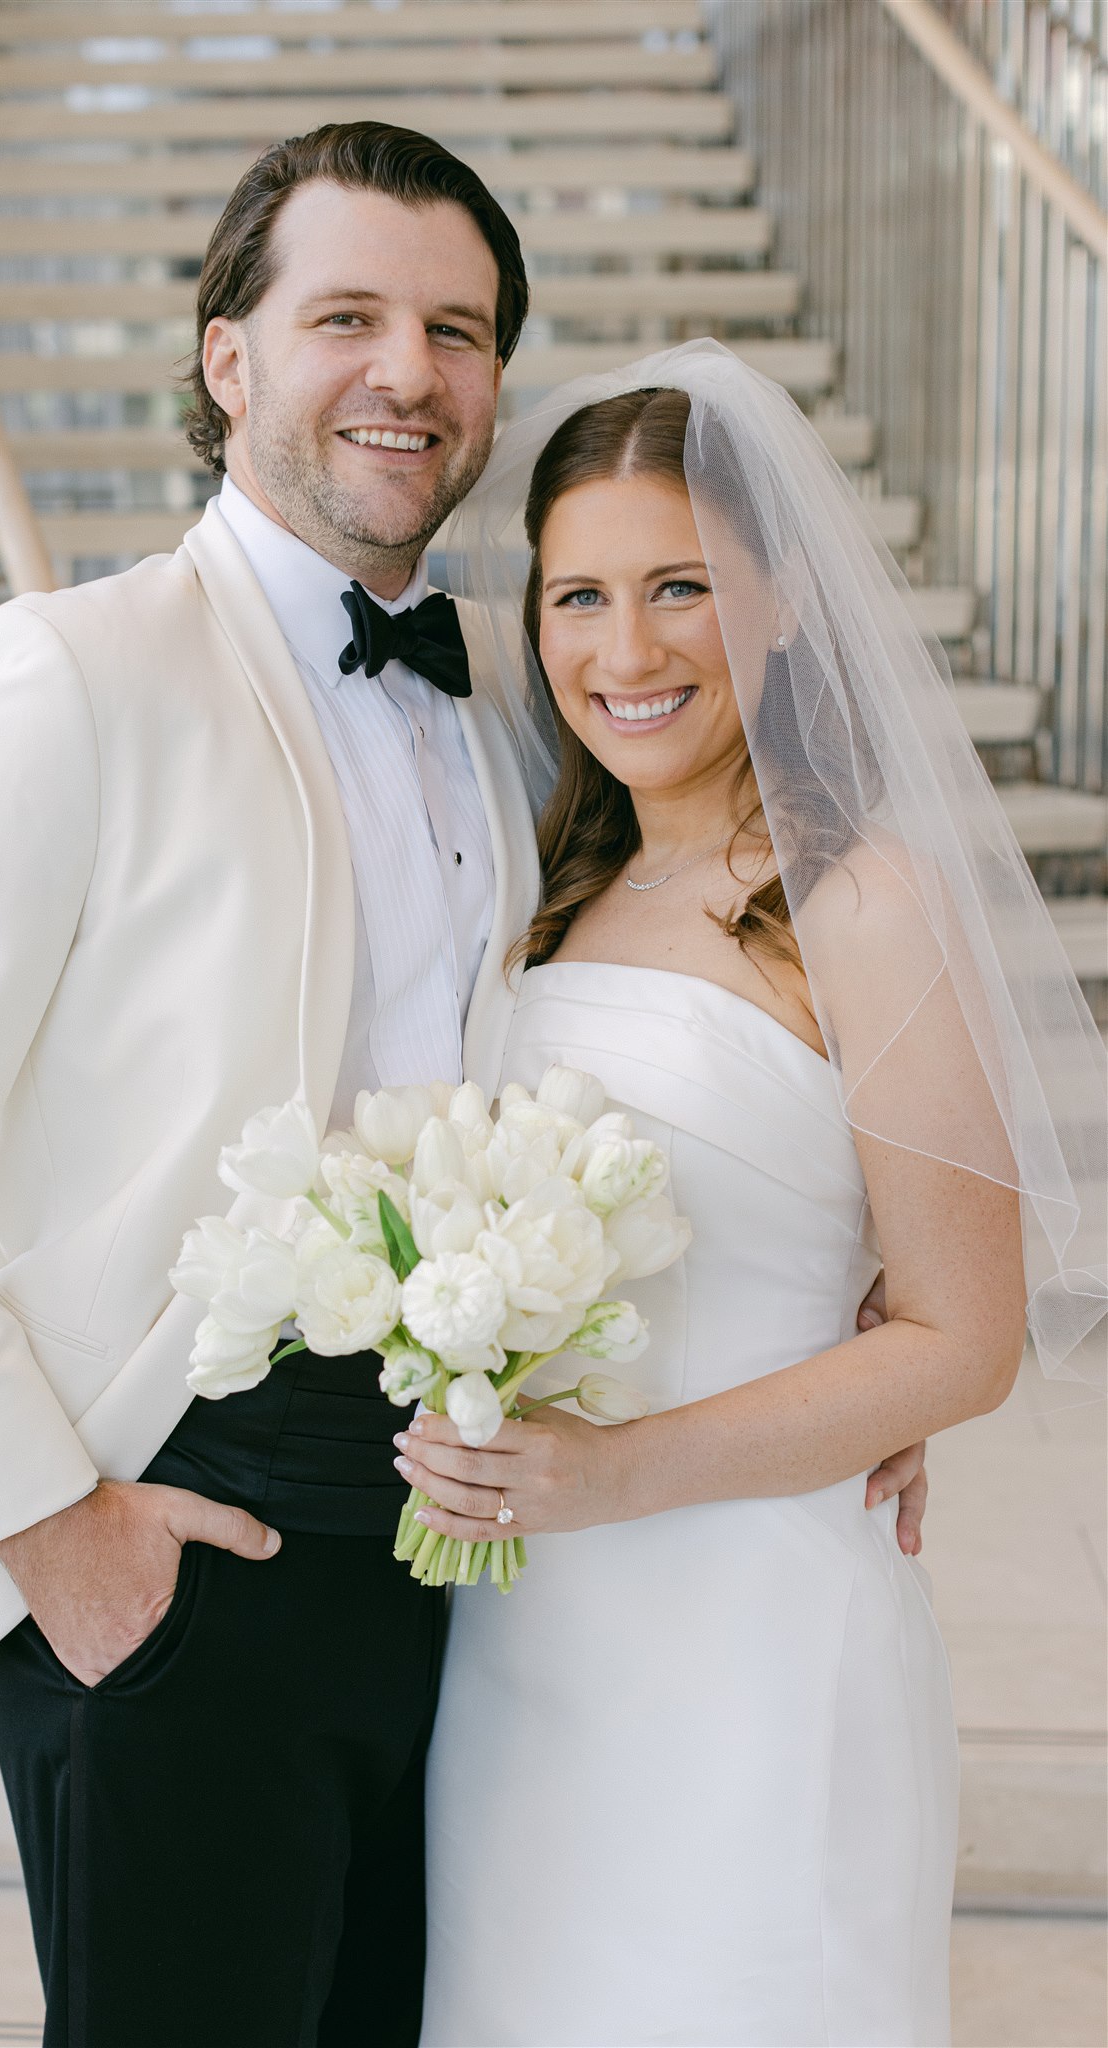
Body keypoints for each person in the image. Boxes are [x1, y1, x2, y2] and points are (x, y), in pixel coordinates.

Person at [0, 130, 928, 2044]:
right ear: (231, 358)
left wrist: (827, 1323)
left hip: (458, 1547)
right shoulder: (64, 671)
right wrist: (60, 1533)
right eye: (347, 316)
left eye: (455, 330)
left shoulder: (504, 690)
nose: (408, 371)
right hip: (172, 1529)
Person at [402, 348, 1106, 2047]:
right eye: (578, 594)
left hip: (755, 1625)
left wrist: (612, 1471)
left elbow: (962, 1337)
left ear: (782, 601)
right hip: (522, 1643)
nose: (621, 652)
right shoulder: (543, 882)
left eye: (679, 590)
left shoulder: (861, 900)